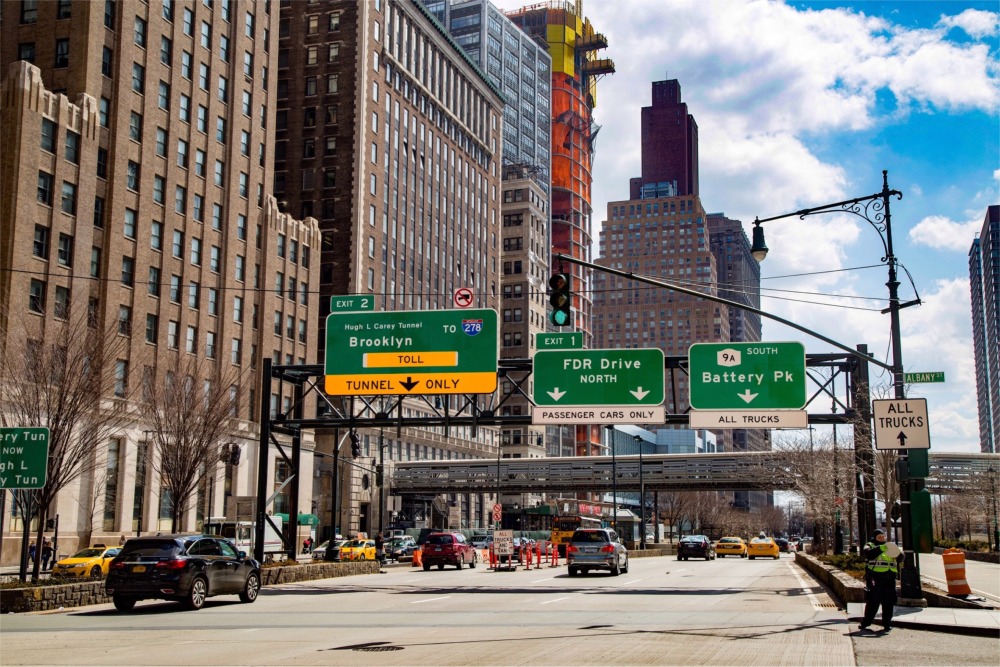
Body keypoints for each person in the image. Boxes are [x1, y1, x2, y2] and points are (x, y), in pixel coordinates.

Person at [859, 529, 899, 634]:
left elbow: (900, 557)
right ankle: (866, 623)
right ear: (875, 537)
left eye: (883, 536)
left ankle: (887, 623)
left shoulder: (889, 546)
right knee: (873, 600)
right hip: (875, 576)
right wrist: (881, 548)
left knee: (889, 601)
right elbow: (868, 554)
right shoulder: (870, 545)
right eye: (879, 537)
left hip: (889, 576)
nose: (881, 539)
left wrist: (897, 551)